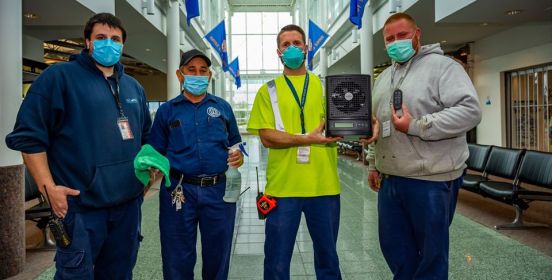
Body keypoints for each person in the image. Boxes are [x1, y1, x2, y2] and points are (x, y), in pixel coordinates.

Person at [5, 13, 151, 279]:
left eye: (115, 39)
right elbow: (28, 137)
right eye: (101, 38)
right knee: (76, 275)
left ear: (123, 45)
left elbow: (146, 138)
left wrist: (149, 174)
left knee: (120, 273)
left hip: (127, 208)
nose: (109, 44)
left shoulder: (133, 87)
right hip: (80, 209)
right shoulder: (59, 78)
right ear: (87, 42)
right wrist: (48, 188)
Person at [365, 13, 482, 279]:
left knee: (430, 256)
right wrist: (373, 162)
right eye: (390, 39)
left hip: (430, 180)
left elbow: (470, 111)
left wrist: (417, 125)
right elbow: (379, 124)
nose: (396, 43)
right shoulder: (384, 78)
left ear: (417, 34)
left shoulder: (444, 67)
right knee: (396, 250)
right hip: (390, 178)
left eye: (402, 35)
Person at [247, 24, 346, 280]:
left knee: (328, 260)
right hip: (282, 190)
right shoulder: (267, 91)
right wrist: (306, 138)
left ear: (306, 47)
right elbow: (267, 136)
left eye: (297, 43)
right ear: (278, 52)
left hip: (323, 187)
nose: (292, 48)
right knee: (277, 263)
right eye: (285, 45)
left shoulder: (326, 87)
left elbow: (346, 120)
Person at [148, 49, 244, 280]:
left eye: (203, 71)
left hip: (218, 192)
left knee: (218, 254)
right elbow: (155, 151)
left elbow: (235, 144)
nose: (197, 75)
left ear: (209, 75)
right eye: (191, 70)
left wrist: (238, 156)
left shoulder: (222, 107)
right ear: (180, 74)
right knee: (177, 255)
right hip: (179, 191)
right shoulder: (167, 111)